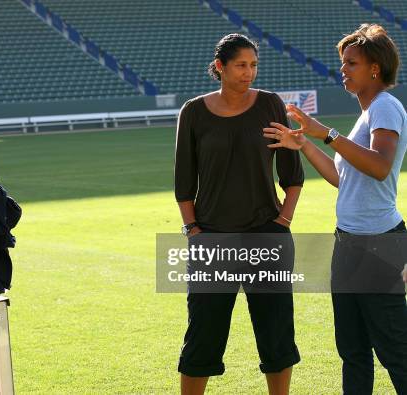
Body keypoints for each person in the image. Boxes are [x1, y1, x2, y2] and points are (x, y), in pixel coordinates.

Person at [264, 24, 407, 394]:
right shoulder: (366, 115)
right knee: (353, 350)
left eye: (351, 63)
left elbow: (378, 166)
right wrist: (304, 144)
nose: (342, 70)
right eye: (342, 63)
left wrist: (325, 133)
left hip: (378, 244)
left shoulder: (386, 107)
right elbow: (342, 178)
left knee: (395, 350)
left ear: (375, 68)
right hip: (348, 243)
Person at [174, 33, 304, 395]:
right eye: (241, 65)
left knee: (276, 333)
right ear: (220, 67)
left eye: (254, 65)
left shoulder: (270, 105)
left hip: (267, 235)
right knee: (203, 335)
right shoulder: (194, 111)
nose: (249, 73)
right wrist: (193, 229)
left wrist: (283, 223)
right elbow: (183, 182)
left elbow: (292, 174)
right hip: (212, 240)